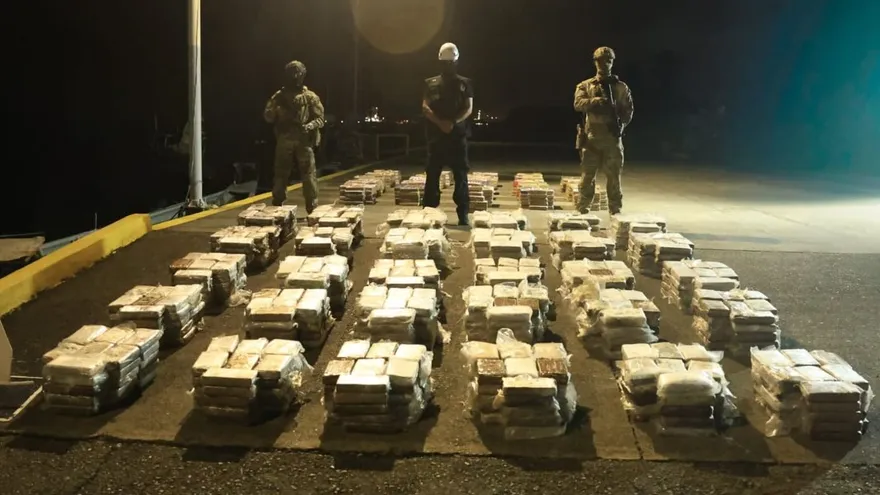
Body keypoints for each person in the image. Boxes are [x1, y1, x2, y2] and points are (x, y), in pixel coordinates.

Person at [574, 46, 634, 215]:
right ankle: (582, 209)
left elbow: (628, 111)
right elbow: (578, 104)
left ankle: (615, 211)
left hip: (612, 138)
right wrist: (595, 101)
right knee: (587, 177)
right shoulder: (585, 86)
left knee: (614, 178)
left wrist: (620, 125)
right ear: (595, 62)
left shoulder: (621, 88)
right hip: (591, 138)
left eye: (608, 61)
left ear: (612, 62)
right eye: (600, 61)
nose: (604, 64)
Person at [421, 42, 474, 226]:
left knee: (460, 176)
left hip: (456, 137)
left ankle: (463, 214)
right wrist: (441, 123)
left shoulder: (465, 83)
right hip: (437, 138)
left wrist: (451, 123)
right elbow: (425, 107)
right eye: (447, 63)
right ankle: (429, 213)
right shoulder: (430, 83)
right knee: (433, 176)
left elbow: (468, 108)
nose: (448, 66)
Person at [263, 60, 325, 212]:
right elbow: (268, 116)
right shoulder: (278, 96)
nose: (295, 76)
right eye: (292, 73)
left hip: (303, 139)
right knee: (281, 173)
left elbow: (320, 119)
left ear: (303, 75)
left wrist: (309, 126)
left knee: (309, 174)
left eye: (298, 73)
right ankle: (277, 204)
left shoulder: (310, 97)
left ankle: (312, 205)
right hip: (285, 138)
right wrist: (274, 112)